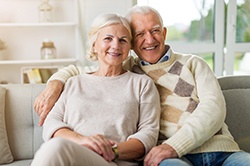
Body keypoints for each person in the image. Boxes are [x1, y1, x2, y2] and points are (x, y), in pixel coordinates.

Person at [34, 5, 250, 166]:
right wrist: (55, 82)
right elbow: (90, 74)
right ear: (134, 43)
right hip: (174, 158)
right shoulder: (124, 68)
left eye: (155, 30)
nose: (149, 39)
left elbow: (213, 108)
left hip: (216, 151)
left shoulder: (192, 64)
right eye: (139, 34)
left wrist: (172, 146)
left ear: (164, 33)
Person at [31, 13, 161, 166]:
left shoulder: (142, 84)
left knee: (55, 148)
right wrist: (84, 141)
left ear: (129, 47)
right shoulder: (73, 82)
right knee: (55, 147)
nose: (115, 45)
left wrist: (110, 150)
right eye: (108, 38)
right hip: (72, 154)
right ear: (94, 44)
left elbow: (148, 134)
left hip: (113, 160)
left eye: (123, 40)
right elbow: (52, 122)